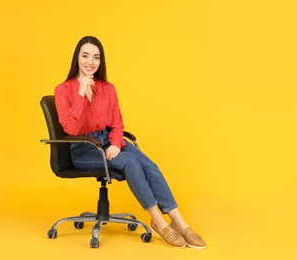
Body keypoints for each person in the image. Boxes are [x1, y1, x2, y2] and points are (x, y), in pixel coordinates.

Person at [54, 36, 206, 249]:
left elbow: (117, 122)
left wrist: (116, 143)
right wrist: (80, 94)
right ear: (77, 58)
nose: (90, 61)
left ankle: (179, 222)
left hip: (107, 140)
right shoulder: (63, 90)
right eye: (85, 55)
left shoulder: (108, 88)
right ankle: (159, 223)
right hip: (84, 148)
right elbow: (70, 129)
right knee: (131, 163)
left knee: (148, 164)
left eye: (96, 57)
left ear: (101, 61)